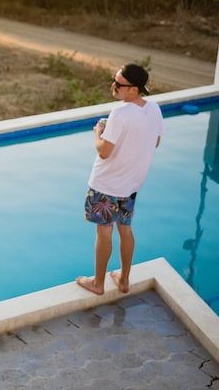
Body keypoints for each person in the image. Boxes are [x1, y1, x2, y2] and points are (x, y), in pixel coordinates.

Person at [76, 63, 164, 296]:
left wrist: (98, 133)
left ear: (134, 89)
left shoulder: (120, 113)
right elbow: (155, 142)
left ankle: (98, 283)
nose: (113, 87)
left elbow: (104, 151)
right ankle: (124, 280)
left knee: (104, 231)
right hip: (131, 185)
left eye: (119, 84)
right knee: (125, 228)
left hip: (106, 184)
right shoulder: (154, 108)